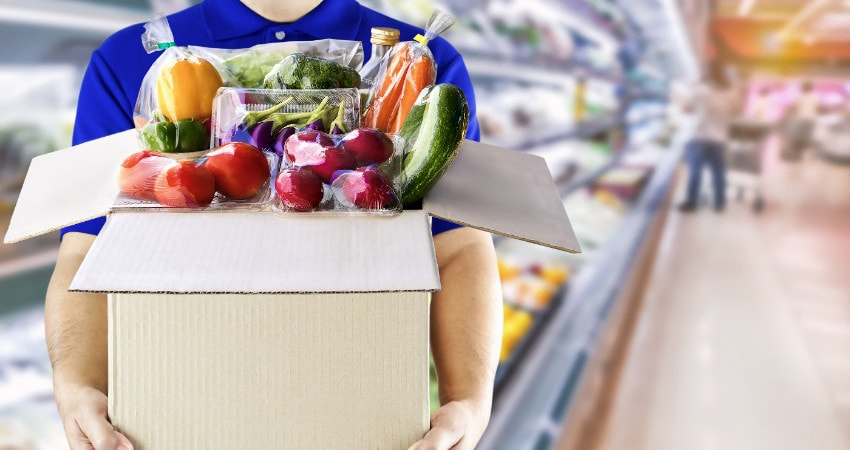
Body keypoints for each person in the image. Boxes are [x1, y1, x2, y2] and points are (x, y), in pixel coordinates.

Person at [45, 1, 502, 449]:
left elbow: (459, 246)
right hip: (177, 405)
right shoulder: (128, 60)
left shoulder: (420, 59)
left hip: (360, 401)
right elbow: (87, 250)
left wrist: (469, 399)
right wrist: (76, 385)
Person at [678, 63, 738, 212]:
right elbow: (735, 111)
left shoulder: (699, 91)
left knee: (695, 172)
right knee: (718, 173)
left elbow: (686, 109)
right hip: (718, 139)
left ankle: (692, 203)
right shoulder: (728, 94)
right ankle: (719, 203)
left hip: (697, 136)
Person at [781, 81, 819, 160]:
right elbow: (816, 109)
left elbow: (794, 108)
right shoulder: (815, 97)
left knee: (797, 138)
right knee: (805, 139)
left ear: (803, 88)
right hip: (810, 119)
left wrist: (787, 115)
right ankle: (800, 155)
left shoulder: (800, 97)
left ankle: (796, 155)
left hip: (801, 119)